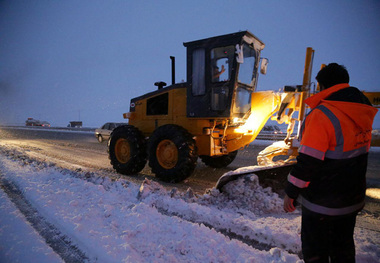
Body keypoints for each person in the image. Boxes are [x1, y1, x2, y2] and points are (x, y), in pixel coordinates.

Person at [283, 63, 378, 262]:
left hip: (322, 204)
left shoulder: (322, 114)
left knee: (316, 253)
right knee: (342, 250)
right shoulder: (363, 112)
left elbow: (308, 162)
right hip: (351, 200)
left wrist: (291, 193)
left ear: (322, 86)